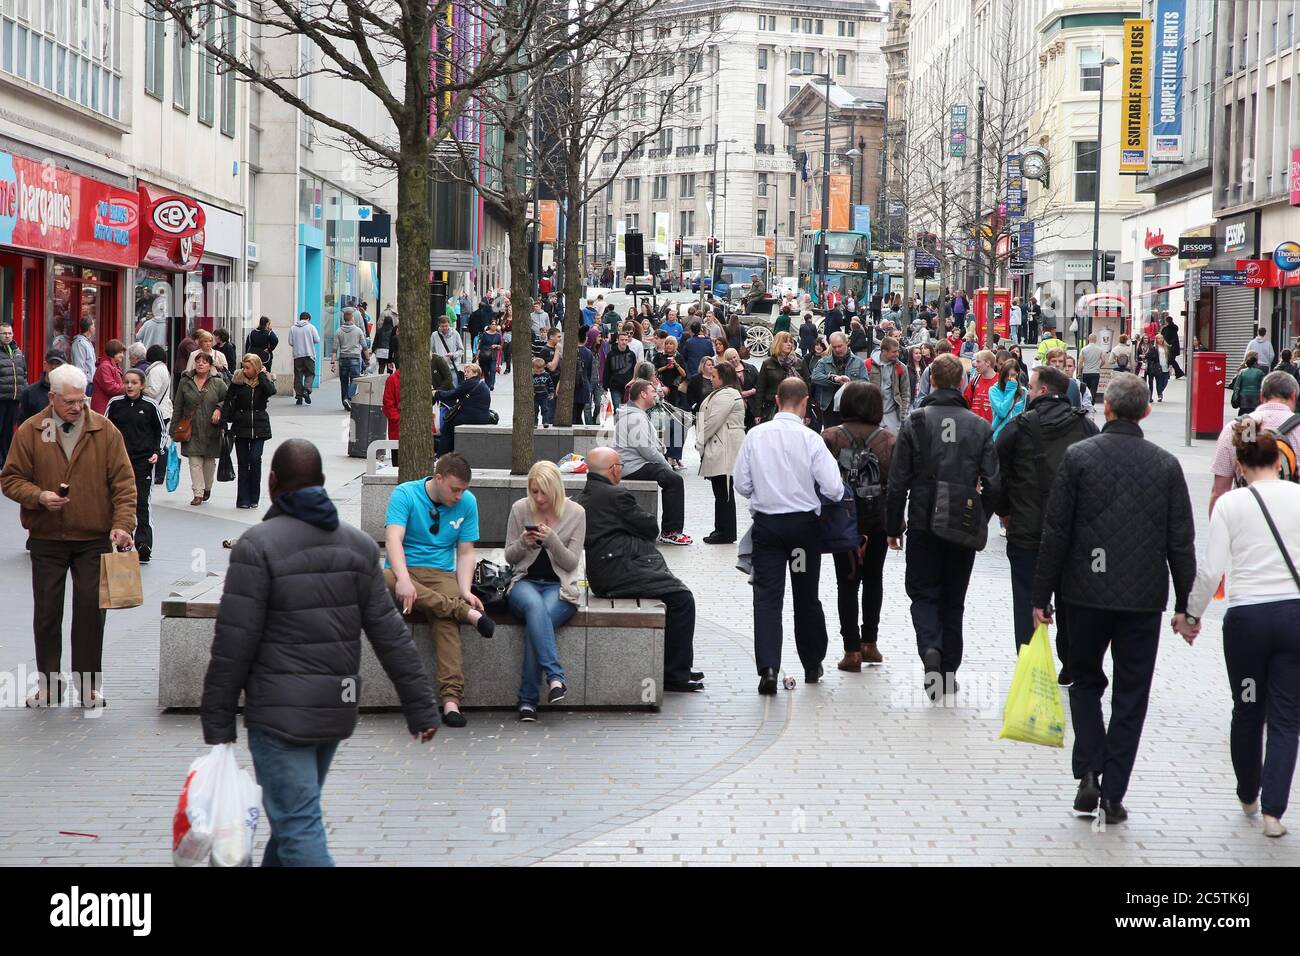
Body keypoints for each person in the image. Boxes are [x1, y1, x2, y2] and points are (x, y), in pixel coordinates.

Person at [201, 439, 438, 866]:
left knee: (297, 825)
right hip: (335, 709)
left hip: (279, 716)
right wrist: (421, 705)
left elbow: (233, 642)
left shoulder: (256, 547)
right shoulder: (359, 546)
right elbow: (389, 633)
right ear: (322, 483)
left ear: (273, 483)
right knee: (292, 819)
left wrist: (217, 719)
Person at [1032, 373, 1195, 824]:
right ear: (1146, 412)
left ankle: (1089, 768)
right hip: (1142, 599)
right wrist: (1187, 606)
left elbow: (1057, 530)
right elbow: (1181, 542)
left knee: (1084, 680)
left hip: (1083, 593)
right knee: (1131, 693)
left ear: (1106, 408)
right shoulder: (1166, 465)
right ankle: (1114, 792)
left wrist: (1040, 595)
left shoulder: (1079, 458)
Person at [1184, 422, 1300, 838]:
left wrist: (1191, 616)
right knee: (1287, 717)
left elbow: (1211, 570)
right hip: (1293, 620)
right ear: (1280, 460)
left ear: (1242, 464)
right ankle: (1273, 813)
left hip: (1248, 621)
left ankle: (1248, 794)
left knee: (1247, 708)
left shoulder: (1230, 505)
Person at [1, 363, 135, 707]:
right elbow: (11, 479)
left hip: (93, 538)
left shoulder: (104, 431)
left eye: (82, 399)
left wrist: (123, 524)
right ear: (52, 397)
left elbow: (124, 484)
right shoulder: (31, 431)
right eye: (70, 401)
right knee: (47, 614)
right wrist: (39, 497)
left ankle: (88, 686)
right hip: (47, 537)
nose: (78, 407)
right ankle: (49, 685)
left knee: (91, 611)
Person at [886, 353, 1000, 701]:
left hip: (923, 519)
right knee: (954, 599)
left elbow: (897, 481)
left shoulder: (916, 422)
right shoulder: (979, 425)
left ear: (931, 381)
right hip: (962, 522)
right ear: (962, 383)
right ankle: (948, 671)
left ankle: (931, 649)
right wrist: (982, 517)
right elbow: (994, 483)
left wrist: (894, 525)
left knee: (923, 593)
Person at [734, 378, 844, 693]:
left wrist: (765, 489)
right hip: (803, 529)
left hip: (768, 527)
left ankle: (768, 669)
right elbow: (834, 489)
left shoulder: (755, 436)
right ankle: (812, 663)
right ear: (805, 401)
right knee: (805, 596)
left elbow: (741, 484)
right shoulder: (811, 439)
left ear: (777, 399)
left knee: (767, 598)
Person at [994, 364, 1097, 671]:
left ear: (1041, 391)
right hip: (1073, 535)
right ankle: (1070, 663)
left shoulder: (1019, 427)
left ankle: (1030, 666)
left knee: (1027, 597)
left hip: (1027, 532)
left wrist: (1005, 513)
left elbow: (996, 474)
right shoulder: (1086, 428)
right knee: (1070, 599)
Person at [384, 452, 497, 729]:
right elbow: (393, 540)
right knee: (379, 578)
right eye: (454, 489)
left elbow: (466, 552)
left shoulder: (468, 502)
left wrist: (465, 590)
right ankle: (464, 612)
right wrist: (403, 580)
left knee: (445, 619)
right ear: (438, 478)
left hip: (440, 573)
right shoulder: (405, 494)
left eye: (463, 490)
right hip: (401, 569)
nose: (459, 496)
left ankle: (451, 701)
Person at [578, 448, 702, 692]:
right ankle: (675, 673)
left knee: (673, 593)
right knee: (682, 598)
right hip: (618, 571)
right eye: (620, 466)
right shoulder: (615, 495)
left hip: (605, 570)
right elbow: (649, 526)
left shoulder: (588, 493)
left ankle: (678, 666)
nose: (621, 470)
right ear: (613, 469)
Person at [503, 461, 586, 721]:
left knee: (537, 623)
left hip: (558, 586)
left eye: (543, 492)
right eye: (533, 491)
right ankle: (555, 677)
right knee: (534, 608)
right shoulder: (520, 509)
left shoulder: (576, 513)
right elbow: (509, 556)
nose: (538, 498)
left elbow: (571, 563)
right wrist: (523, 543)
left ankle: (527, 702)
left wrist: (552, 541)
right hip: (524, 582)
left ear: (556, 490)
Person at [822, 382, 894, 670]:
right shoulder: (889, 439)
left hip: (842, 521)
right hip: (877, 520)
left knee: (846, 583)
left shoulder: (829, 437)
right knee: (874, 578)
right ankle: (870, 643)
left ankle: (850, 649)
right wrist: (896, 527)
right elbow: (898, 486)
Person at [1209, 371, 1300, 514]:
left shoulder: (1235, 428)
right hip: (1292, 521)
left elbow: (1219, 491)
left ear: (1261, 396)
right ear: (1294, 396)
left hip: (1245, 519)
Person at [612, 379, 691, 545]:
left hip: (633, 464)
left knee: (672, 479)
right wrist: (665, 464)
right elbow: (647, 450)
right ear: (643, 394)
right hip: (633, 467)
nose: (657, 394)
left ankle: (670, 530)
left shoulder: (634, 414)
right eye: (653, 391)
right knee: (674, 480)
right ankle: (671, 532)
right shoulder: (635, 417)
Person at [104, 369, 165, 562]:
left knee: (142, 502)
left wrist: (156, 452)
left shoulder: (150, 406)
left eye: (134, 382)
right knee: (118, 501)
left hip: (143, 461)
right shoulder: (114, 404)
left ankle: (144, 544)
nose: (129, 386)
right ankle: (121, 541)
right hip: (119, 461)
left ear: (142, 385)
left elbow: (161, 432)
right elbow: (104, 429)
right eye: (127, 382)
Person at [695, 361, 745, 544]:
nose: (711, 379)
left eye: (714, 376)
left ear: (723, 378)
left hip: (725, 446)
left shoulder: (727, 395)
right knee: (721, 491)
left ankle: (725, 531)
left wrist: (700, 441)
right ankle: (721, 529)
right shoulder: (723, 393)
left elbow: (713, 421)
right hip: (721, 443)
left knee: (723, 491)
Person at [171, 352, 229, 506]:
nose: (200, 364)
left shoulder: (218, 383)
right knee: (194, 462)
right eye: (198, 361)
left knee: (209, 462)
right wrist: (173, 428)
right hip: (191, 427)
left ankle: (207, 488)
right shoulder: (185, 382)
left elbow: (228, 400)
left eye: (204, 362)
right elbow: (178, 406)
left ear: (210, 365)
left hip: (212, 428)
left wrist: (219, 408)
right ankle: (198, 492)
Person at [222, 354, 277, 510]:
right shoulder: (237, 380)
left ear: (256, 367)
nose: (245, 370)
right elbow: (228, 401)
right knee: (243, 463)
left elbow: (271, 391)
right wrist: (224, 422)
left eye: (248, 367)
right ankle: (243, 499)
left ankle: (254, 497)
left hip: (260, 426)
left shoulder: (263, 380)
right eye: (244, 367)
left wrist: (261, 375)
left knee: (255, 459)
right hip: (241, 426)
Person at [811, 332, 868, 429]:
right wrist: (833, 379)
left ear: (847, 343)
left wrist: (850, 384)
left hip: (851, 407)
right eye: (834, 347)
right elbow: (814, 377)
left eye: (840, 346)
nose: (837, 350)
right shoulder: (824, 362)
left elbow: (865, 382)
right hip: (829, 407)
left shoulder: (858, 362)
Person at [434, 363, 492, 456]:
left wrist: (437, 393)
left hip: (472, 417)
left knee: (447, 427)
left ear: (475, 373)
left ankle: (441, 455)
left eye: (468, 372)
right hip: (483, 417)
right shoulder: (482, 383)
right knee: (451, 426)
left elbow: (451, 394)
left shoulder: (470, 383)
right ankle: (450, 452)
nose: (465, 374)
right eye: (465, 371)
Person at [865, 336, 911, 432]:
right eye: (894, 352)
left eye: (898, 351)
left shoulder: (901, 368)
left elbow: (906, 394)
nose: (897, 354)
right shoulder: (867, 365)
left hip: (893, 416)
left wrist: (903, 417)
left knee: (892, 445)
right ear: (884, 351)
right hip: (871, 416)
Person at [331, 308, 368, 411]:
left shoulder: (338, 331)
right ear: (352, 318)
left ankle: (345, 400)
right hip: (355, 359)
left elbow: (334, 349)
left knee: (343, 382)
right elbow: (364, 347)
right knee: (354, 381)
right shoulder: (358, 330)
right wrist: (368, 359)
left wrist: (333, 363)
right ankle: (349, 398)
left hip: (343, 359)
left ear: (343, 319)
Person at [0, 322, 27, 462]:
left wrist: (25, 393)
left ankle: (5, 461)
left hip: (14, 398)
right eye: (4, 333)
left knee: (9, 432)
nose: (7, 336)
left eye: (9, 333)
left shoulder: (18, 352)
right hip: (1, 399)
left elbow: (24, 374)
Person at [19, 349, 64, 424]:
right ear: (45, 365)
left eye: (57, 364)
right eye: (51, 363)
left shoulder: (71, 393)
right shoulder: (29, 393)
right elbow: (23, 424)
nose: (53, 367)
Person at [989, 358, 1027, 440]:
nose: (1009, 378)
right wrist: (1011, 389)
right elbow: (1002, 412)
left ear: (1018, 374)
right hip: (999, 436)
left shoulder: (1023, 392)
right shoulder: (994, 390)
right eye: (1006, 375)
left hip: (1017, 437)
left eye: (1013, 375)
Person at [603, 330, 637, 415]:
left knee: (627, 410)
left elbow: (634, 371)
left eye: (626, 340)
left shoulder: (632, 354)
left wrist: (634, 384)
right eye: (622, 340)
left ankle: (625, 427)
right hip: (615, 386)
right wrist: (605, 387)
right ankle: (617, 427)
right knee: (618, 409)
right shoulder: (611, 354)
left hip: (628, 387)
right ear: (618, 340)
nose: (624, 342)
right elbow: (607, 370)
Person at [289, 312, 320, 405]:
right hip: (309, 354)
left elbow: (290, 342)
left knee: (298, 376)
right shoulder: (311, 327)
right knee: (310, 373)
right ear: (308, 319)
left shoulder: (293, 328)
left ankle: (299, 396)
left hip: (297, 355)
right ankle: (306, 390)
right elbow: (317, 340)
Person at [89, 339, 126, 415]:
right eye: (120, 352)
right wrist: (127, 388)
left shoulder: (111, 366)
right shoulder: (105, 367)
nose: (123, 355)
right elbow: (111, 388)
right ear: (113, 352)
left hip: (108, 407)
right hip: (103, 409)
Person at [962, 349, 998, 424]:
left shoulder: (1000, 381)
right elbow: (966, 402)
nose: (975, 364)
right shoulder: (974, 380)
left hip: (993, 429)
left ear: (988, 363)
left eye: (978, 361)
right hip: (975, 428)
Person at [431, 314, 464, 384]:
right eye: (442, 326)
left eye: (446, 326)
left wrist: (454, 354)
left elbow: (461, 350)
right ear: (439, 325)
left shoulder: (455, 334)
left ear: (449, 324)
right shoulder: (434, 335)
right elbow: (431, 350)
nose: (445, 328)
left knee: (454, 388)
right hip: (439, 368)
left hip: (452, 367)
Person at [71, 316, 96, 395]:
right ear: (89, 328)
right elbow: (79, 366)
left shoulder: (87, 342)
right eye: (93, 325)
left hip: (90, 384)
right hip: (85, 385)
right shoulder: (79, 344)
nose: (95, 328)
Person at [1145, 334, 1172, 402]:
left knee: (1165, 382)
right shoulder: (1154, 347)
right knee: (1159, 382)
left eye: (1161, 338)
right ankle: (1160, 395)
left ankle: (1160, 391)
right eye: (1159, 338)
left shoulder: (1167, 347)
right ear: (1156, 340)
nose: (1160, 340)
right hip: (1158, 368)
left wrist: (1170, 365)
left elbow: (1170, 357)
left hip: (1165, 367)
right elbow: (1148, 356)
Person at [1160, 313, 1185, 378]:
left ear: (1166, 321)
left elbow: (1165, 338)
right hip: (1174, 347)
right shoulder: (1174, 328)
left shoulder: (1167, 329)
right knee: (1170, 360)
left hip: (1169, 347)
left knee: (1169, 360)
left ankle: (1169, 374)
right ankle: (1177, 373)